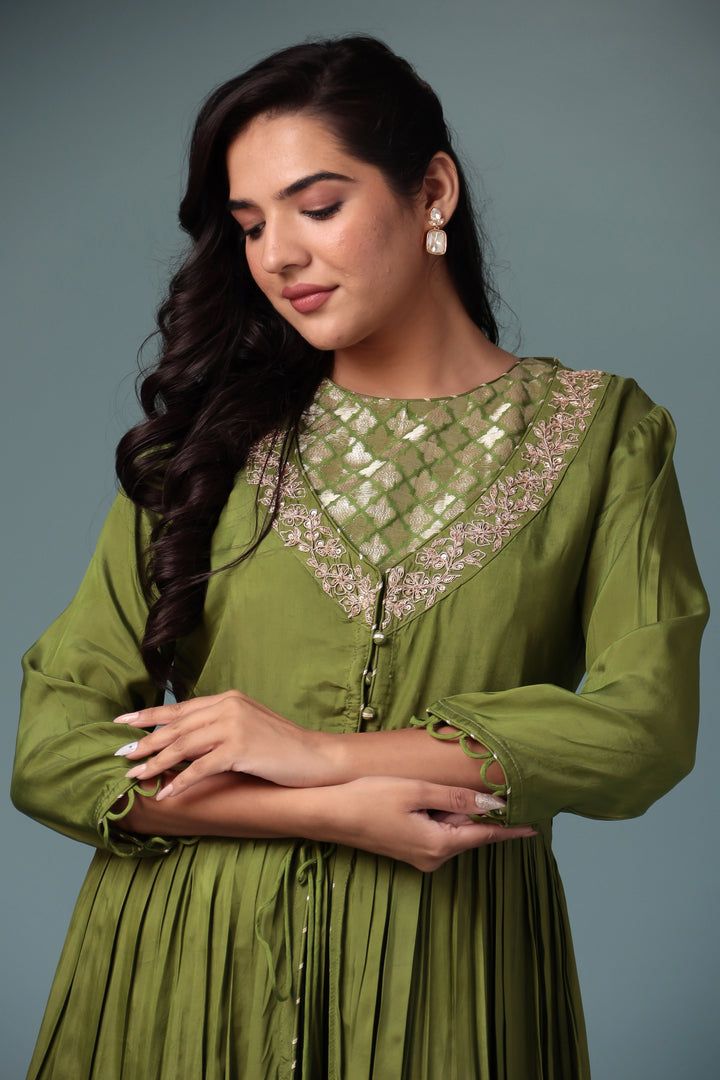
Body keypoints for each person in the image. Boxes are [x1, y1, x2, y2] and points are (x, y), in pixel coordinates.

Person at [12, 34, 708, 1080]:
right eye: (252, 226)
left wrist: (325, 752)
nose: (278, 256)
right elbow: (51, 750)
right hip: (184, 975)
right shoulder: (197, 449)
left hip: (449, 980)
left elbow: (641, 728)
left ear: (433, 192)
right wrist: (329, 809)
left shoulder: (604, 436)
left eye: (318, 207)